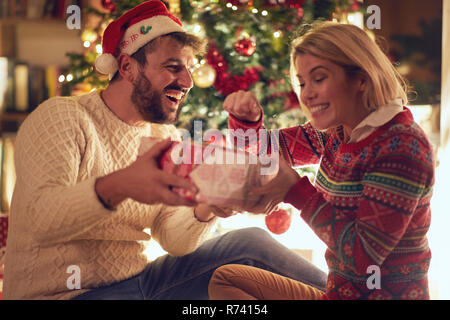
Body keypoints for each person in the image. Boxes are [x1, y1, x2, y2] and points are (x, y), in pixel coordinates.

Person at [2, 0, 326, 300]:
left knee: (247, 253)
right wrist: (122, 183)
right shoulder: (63, 117)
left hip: (140, 285)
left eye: (188, 68)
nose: (187, 81)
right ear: (127, 67)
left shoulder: (163, 134)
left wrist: (208, 206)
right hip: (65, 294)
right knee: (241, 263)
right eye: (173, 67)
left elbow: (173, 239)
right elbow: (41, 219)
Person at [209, 21, 435, 300]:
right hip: (337, 294)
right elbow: (263, 151)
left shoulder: (400, 146)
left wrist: (295, 191)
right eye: (302, 83)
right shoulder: (336, 132)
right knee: (227, 280)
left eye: (318, 79)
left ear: (360, 78)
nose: (306, 93)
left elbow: (364, 257)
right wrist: (248, 120)